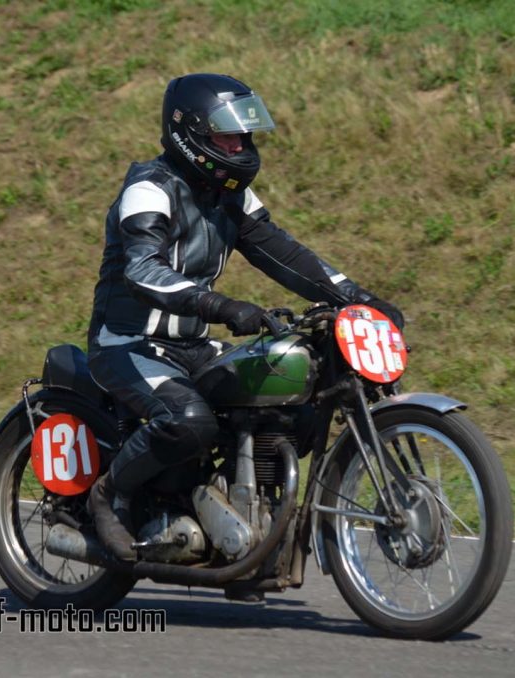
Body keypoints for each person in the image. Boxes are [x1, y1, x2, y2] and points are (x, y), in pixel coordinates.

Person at [86, 73, 404, 561]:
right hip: (127, 345)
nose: (240, 145)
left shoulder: (230, 197)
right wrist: (222, 306)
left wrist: (357, 297)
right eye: (227, 136)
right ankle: (109, 495)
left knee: (288, 405)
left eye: (244, 135)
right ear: (189, 134)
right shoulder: (150, 188)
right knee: (190, 420)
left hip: (191, 346)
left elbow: (286, 255)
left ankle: (242, 526)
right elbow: (142, 271)